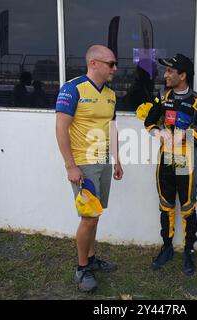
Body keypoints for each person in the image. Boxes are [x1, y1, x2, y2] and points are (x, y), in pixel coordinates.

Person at [55, 45, 123, 292]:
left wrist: (116, 159)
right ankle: (82, 268)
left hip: (103, 163)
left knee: (95, 215)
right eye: (111, 64)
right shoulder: (73, 89)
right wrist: (70, 166)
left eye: (115, 64)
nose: (115, 68)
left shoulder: (111, 95)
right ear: (93, 63)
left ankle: (92, 260)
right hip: (83, 164)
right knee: (89, 217)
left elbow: (111, 128)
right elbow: (61, 128)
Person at [144, 54, 197, 276]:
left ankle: (188, 250)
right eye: (165, 72)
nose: (165, 75)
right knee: (165, 204)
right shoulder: (162, 98)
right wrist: (159, 132)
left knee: (186, 206)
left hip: (185, 160)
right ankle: (167, 247)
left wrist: (185, 135)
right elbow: (149, 122)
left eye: (169, 72)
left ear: (182, 75)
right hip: (166, 159)